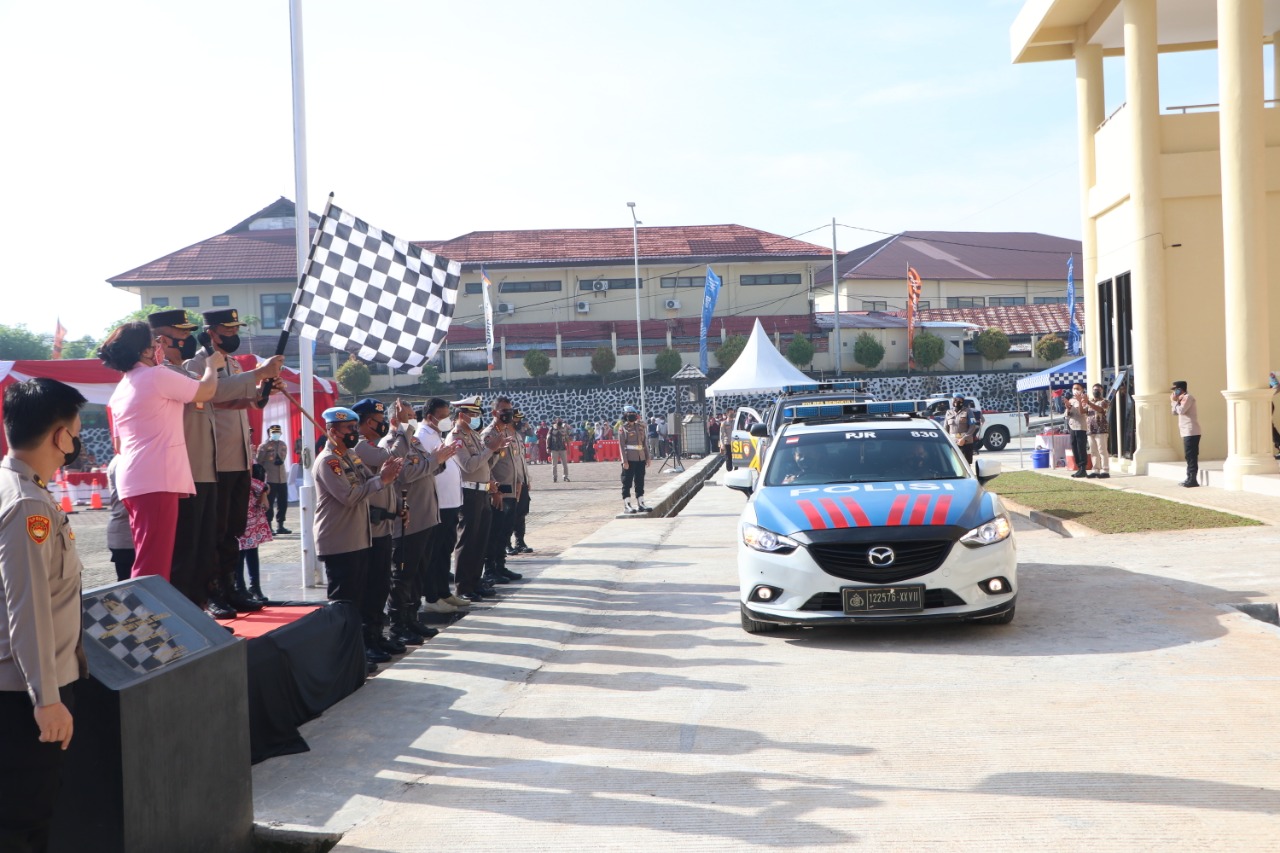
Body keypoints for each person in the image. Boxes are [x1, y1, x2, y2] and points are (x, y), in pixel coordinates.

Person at [0, 378, 89, 852]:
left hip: (24, 686)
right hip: (26, 693)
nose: (75, 444)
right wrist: (47, 698)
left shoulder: (18, 488)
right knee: (23, 821)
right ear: (60, 436)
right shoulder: (28, 503)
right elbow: (28, 606)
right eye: (75, 434)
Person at [150, 309, 282, 618]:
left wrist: (260, 394)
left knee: (234, 529)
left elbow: (230, 400)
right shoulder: (197, 364)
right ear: (212, 332)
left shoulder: (231, 363)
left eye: (236, 329)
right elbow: (213, 394)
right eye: (228, 329)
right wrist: (257, 376)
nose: (233, 335)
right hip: (214, 460)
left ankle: (230, 586)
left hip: (237, 457)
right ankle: (212, 593)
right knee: (212, 532)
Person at [100, 321, 222, 581]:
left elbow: (118, 444)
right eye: (155, 343)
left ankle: (148, 606)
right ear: (145, 351)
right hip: (155, 479)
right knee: (153, 565)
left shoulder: (122, 387)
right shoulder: (156, 376)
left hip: (134, 479)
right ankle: (146, 608)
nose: (160, 347)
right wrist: (212, 366)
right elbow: (206, 391)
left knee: (149, 556)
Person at [313, 406, 403, 672]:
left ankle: (359, 651)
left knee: (361, 599)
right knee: (345, 604)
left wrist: (385, 475)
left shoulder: (350, 456)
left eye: (355, 427)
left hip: (358, 538)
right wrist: (381, 480)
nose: (354, 433)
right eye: (349, 429)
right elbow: (350, 495)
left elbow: (368, 481)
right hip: (340, 540)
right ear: (332, 431)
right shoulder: (329, 461)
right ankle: (344, 659)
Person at [416, 398, 472, 614]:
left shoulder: (435, 433)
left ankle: (443, 592)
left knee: (445, 550)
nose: (448, 420)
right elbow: (426, 466)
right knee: (434, 553)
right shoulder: (422, 436)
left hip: (451, 502)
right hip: (438, 503)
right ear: (430, 417)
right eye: (443, 416)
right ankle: (432, 597)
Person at [450, 396, 507, 603]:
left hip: (482, 491)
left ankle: (475, 581)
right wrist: (490, 449)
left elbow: (485, 465)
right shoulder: (456, 437)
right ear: (461, 415)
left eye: (477, 413)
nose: (476, 417)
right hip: (468, 493)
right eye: (472, 414)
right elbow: (469, 465)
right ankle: (463, 586)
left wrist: (496, 451)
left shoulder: (473, 435)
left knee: (480, 541)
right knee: (467, 542)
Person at [482, 395, 528, 587]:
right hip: (498, 492)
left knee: (505, 531)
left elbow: (516, 461)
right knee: (494, 532)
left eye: (510, 410)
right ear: (494, 412)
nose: (508, 414)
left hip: (513, 490)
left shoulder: (510, 432)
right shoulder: (489, 434)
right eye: (504, 410)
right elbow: (485, 465)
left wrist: (520, 483)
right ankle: (490, 569)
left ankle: (500, 566)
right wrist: (493, 488)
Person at [236, 463, 273, 604]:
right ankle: (240, 587)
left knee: (252, 550)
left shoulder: (253, 464)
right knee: (239, 552)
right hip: (239, 513)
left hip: (252, 513)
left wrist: (264, 490)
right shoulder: (237, 466)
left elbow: (263, 483)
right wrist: (264, 488)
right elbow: (250, 482)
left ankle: (254, 587)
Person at [255, 424, 292, 534]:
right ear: (269, 433)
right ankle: (269, 525)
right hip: (270, 478)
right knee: (269, 503)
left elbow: (283, 458)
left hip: (282, 478)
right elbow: (259, 460)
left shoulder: (283, 444)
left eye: (278, 432)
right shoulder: (263, 446)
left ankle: (281, 525)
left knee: (283, 502)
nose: (276, 434)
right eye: (274, 433)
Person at [105, 452, 135, 582]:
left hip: (123, 533)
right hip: (126, 534)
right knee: (127, 584)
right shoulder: (126, 459)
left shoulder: (123, 458)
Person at [619, 404, 650, 513]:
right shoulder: (623, 428)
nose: (632, 415)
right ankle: (627, 505)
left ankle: (641, 503)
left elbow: (644, 443)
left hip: (640, 458)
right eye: (629, 413)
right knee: (627, 482)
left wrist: (647, 457)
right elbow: (621, 446)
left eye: (633, 413)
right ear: (625, 415)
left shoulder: (640, 427)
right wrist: (624, 461)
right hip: (629, 459)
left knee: (640, 481)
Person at [1171, 380, 1201, 487]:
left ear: (1180, 389)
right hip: (1185, 431)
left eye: (1175, 390)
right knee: (1188, 456)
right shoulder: (1180, 399)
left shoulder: (1188, 397)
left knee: (1191, 456)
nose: (1174, 392)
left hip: (1191, 431)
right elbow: (1174, 412)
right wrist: (1175, 401)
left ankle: (1193, 479)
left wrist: (1174, 401)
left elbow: (1181, 411)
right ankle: (1189, 478)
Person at [1083, 383, 1111, 479]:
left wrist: (1088, 402)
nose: (1096, 391)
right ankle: (1095, 470)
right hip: (1090, 430)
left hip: (1101, 430)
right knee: (1093, 451)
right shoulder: (1089, 401)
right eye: (1094, 389)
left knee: (1102, 451)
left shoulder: (1105, 401)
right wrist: (1080, 401)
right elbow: (1082, 411)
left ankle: (1105, 470)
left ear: (1102, 391)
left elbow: (1100, 409)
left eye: (1098, 389)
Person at [1062, 383, 1089, 478]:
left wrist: (1080, 401)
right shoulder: (1071, 400)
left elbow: (1082, 412)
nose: (1075, 390)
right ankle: (1079, 467)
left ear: (1082, 389)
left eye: (1077, 388)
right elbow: (1067, 415)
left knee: (1081, 447)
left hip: (1081, 426)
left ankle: (1083, 468)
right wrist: (1068, 408)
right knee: (1074, 447)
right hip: (1072, 426)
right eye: (1074, 388)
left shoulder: (1085, 399)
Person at [943, 396, 981, 464]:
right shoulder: (949, 412)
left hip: (966, 443)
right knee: (954, 464)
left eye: (958, 400)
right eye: (954, 400)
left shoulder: (968, 411)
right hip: (953, 443)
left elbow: (972, 426)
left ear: (962, 401)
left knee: (966, 464)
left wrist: (964, 439)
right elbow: (945, 428)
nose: (956, 402)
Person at [548, 416, 571, 482]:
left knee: (565, 464)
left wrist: (568, 449)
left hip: (562, 448)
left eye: (560, 420)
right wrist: (548, 447)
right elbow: (548, 438)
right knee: (554, 464)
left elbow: (567, 439)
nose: (559, 421)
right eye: (558, 420)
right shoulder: (552, 428)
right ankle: (554, 477)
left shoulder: (564, 429)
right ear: (555, 421)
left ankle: (565, 476)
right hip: (554, 448)